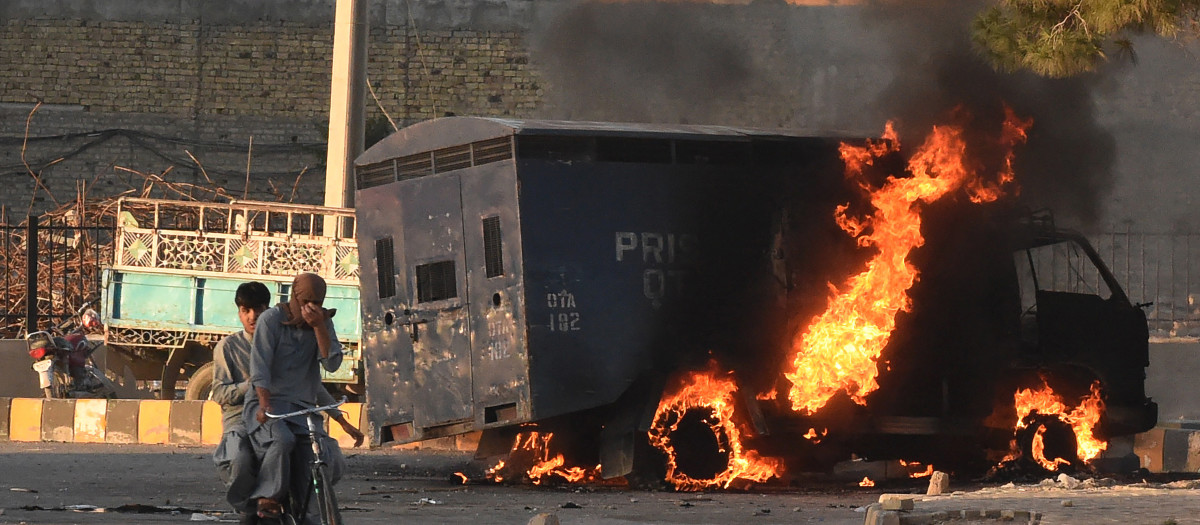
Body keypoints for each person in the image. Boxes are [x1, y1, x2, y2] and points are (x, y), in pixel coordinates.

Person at [243, 273, 364, 520]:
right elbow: (260, 368)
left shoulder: (322, 321)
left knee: (322, 454)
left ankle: (312, 513)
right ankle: (269, 495)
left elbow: (330, 367)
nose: (311, 308)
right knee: (282, 440)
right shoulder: (271, 320)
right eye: (306, 301)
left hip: (302, 409)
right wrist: (264, 404)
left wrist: (319, 327)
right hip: (269, 406)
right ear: (294, 297)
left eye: (316, 302)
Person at [210, 281, 272, 511]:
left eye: (258, 309)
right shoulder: (227, 348)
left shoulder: (280, 342)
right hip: (240, 419)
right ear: (239, 313)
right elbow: (219, 393)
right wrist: (251, 386)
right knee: (241, 459)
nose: (253, 316)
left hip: (275, 415)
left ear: (269, 310)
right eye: (246, 310)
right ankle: (245, 506)